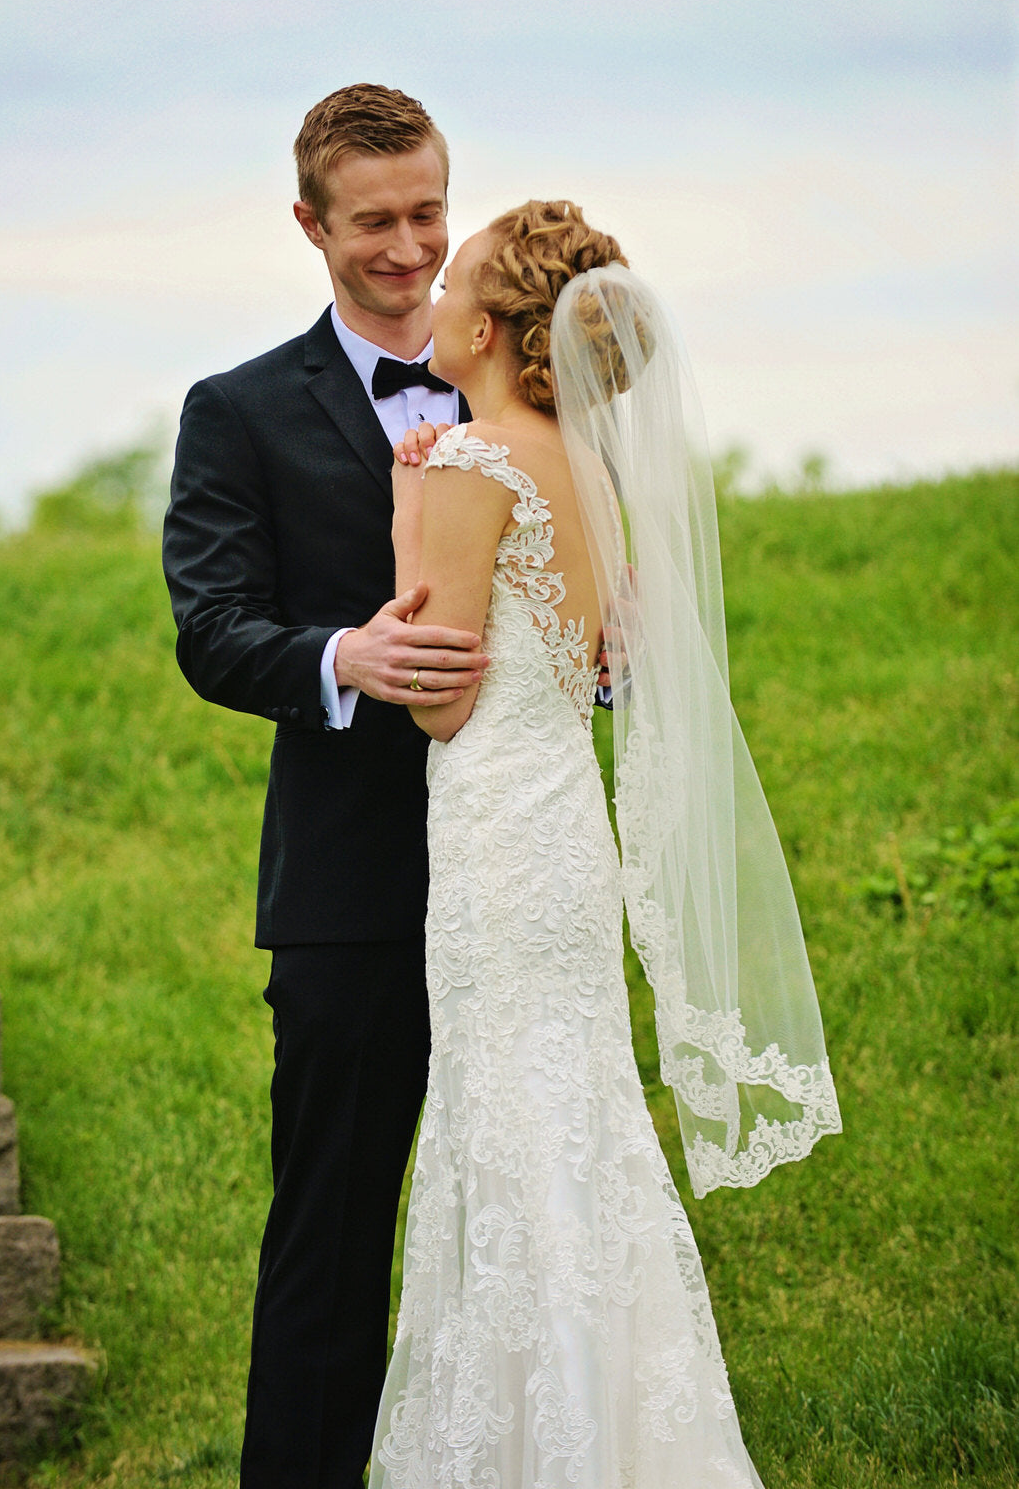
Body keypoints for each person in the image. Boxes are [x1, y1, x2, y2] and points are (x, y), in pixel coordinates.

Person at [374, 201, 841, 1484]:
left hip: (498, 841)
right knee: (568, 1125)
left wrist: (410, 510)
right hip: (560, 836)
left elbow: (443, 691)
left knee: (509, 1132)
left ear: (485, 326)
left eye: (456, 270)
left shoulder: (471, 464)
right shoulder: (593, 471)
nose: (437, 280)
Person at [161, 84, 491, 1489]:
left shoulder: (523, 393)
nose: (411, 247)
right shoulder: (235, 412)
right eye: (375, 222)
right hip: (351, 898)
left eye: (428, 211)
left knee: (529, 1221)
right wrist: (344, 654)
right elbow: (211, 628)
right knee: (335, 1239)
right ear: (311, 225)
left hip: (518, 881)